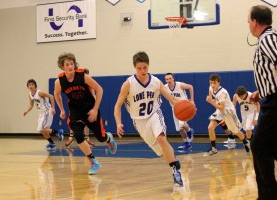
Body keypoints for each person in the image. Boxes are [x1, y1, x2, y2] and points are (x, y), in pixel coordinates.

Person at [114, 51, 184, 187]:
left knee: (161, 138)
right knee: (161, 152)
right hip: (139, 121)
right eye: (139, 68)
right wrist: (118, 123)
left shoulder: (156, 82)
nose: (142, 71)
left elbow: (172, 99)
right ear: (135, 67)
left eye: (145, 67)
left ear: (148, 66)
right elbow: (117, 106)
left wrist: (186, 105)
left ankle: (175, 172)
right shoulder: (128, 84)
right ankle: (173, 160)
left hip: (154, 114)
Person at [54, 52, 117, 175]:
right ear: (62, 67)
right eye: (67, 64)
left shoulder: (82, 76)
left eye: (72, 63)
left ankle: (109, 138)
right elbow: (56, 94)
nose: (70, 66)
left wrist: (95, 109)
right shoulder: (59, 82)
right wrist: (61, 109)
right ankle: (94, 161)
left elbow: (100, 89)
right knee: (78, 135)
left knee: (101, 137)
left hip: (89, 108)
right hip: (76, 111)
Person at [248, 5, 277, 199]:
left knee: (259, 145)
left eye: (249, 21)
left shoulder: (267, 38)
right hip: (270, 98)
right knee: (267, 145)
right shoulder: (268, 38)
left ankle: (269, 194)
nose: (248, 24)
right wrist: (262, 90)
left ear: (256, 22)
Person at [204, 74, 250, 156]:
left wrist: (211, 101)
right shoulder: (210, 88)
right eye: (211, 83)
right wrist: (211, 100)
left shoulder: (222, 93)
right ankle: (213, 148)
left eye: (214, 83)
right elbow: (211, 97)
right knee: (210, 127)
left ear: (219, 83)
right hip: (220, 111)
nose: (212, 85)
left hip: (229, 112)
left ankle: (246, 142)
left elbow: (221, 107)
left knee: (235, 131)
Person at [23, 79, 64, 149]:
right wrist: (27, 111)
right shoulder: (30, 95)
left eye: (32, 84)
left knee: (40, 129)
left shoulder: (39, 92)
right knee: (43, 130)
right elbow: (31, 105)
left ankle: (58, 131)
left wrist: (53, 108)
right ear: (27, 87)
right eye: (29, 85)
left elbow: (51, 96)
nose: (31, 86)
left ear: (35, 86)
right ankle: (52, 143)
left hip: (47, 111)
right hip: (41, 112)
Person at [65, 68, 95, 149]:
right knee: (72, 121)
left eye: (87, 74)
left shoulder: (89, 84)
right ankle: (71, 137)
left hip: (86, 106)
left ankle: (87, 138)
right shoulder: (75, 82)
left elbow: (94, 95)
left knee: (87, 121)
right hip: (75, 106)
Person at [164, 73, 194, 150]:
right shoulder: (165, 87)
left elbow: (190, 87)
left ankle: (189, 130)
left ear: (173, 79)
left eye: (170, 78)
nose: (168, 80)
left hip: (184, 108)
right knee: (179, 129)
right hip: (175, 109)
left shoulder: (179, 85)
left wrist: (192, 100)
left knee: (181, 124)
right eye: (167, 79)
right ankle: (187, 143)